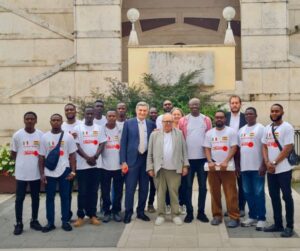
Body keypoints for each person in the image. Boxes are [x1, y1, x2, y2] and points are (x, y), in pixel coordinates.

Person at [147, 113, 189, 226]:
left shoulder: (179, 134)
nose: (168, 123)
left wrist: (185, 165)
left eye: (170, 121)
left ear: (173, 122)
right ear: (162, 123)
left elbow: (184, 151)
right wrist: (150, 167)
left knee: (174, 193)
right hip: (159, 169)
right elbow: (149, 153)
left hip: (175, 169)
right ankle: (161, 215)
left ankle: (175, 215)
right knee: (160, 193)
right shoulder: (154, 135)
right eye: (166, 121)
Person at [39, 114, 77, 232]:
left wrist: (73, 172)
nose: (56, 122)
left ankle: (65, 221)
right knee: (49, 198)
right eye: (53, 120)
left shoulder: (68, 137)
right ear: (50, 122)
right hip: (49, 172)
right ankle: (50, 223)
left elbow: (72, 156)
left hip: (64, 171)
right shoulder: (45, 137)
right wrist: (42, 174)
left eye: (58, 120)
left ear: (61, 122)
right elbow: (41, 157)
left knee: (65, 197)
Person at [262, 104, 295, 237]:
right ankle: (278, 224)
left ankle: (289, 226)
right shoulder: (267, 128)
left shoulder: (287, 127)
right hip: (271, 171)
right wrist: (266, 163)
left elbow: (288, 148)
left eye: (277, 111)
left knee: (287, 197)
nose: (274, 113)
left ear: (282, 112)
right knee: (274, 197)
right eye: (272, 111)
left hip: (284, 170)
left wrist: (274, 162)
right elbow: (264, 146)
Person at [120, 101, 156, 224]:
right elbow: (123, 143)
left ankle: (141, 212)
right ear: (136, 111)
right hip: (132, 161)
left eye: (144, 111)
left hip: (145, 160)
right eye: (140, 110)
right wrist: (123, 161)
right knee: (130, 188)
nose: (142, 112)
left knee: (144, 188)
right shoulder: (128, 123)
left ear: (147, 112)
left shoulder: (151, 124)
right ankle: (128, 212)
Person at [204, 110, 240, 228]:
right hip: (213, 168)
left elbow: (234, 147)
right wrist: (209, 161)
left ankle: (234, 217)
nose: (219, 119)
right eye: (217, 117)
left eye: (221, 117)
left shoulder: (231, 132)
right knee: (214, 192)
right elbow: (207, 148)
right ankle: (217, 216)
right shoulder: (209, 133)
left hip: (227, 168)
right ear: (214, 119)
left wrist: (226, 161)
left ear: (225, 119)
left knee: (231, 193)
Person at [178, 98, 212, 223]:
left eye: (196, 104)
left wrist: (209, 159)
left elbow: (209, 139)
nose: (194, 107)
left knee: (203, 187)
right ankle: (189, 212)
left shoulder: (206, 120)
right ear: (188, 106)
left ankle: (201, 212)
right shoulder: (183, 120)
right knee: (187, 187)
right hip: (188, 161)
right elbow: (180, 140)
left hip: (203, 159)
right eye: (192, 105)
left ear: (200, 105)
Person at [73, 106, 106, 227]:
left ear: (94, 114)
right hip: (82, 166)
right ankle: (80, 216)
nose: (90, 116)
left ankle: (93, 215)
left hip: (96, 165)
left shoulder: (99, 128)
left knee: (93, 191)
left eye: (91, 114)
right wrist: (87, 158)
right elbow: (76, 145)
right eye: (87, 114)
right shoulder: (78, 128)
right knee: (82, 192)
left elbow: (102, 143)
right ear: (84, 114)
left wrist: (95, 157)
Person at [11, 112, 43, 235]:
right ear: (24, 120)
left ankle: (34, 220)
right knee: (19, 198)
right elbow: (13, 153)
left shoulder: (40, 135)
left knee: (35, 197)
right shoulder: (17, 135)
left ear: (36, 120)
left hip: (35, 173)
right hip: (21, 173)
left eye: (32, 119)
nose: (29, 121)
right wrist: (23, 162)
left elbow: (43, 154)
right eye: (27, 119)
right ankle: (19, 223)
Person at [238, 107, 266, 230]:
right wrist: (238, 166)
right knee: (248, 193)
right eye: (247, 114)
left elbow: (266, 148)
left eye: (251, 114)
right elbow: (239, 150)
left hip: (257, 168)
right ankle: (252, 216)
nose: (248, 116)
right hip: (244, 168)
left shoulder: (261, 129)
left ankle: (261, 218)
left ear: (256, 115)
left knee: (259, 193)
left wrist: (264, 165)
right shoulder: (241, 130)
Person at [225, 95, 247, 217]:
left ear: (240, 104)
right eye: (232, 103)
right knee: (229, 183)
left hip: (241, 154)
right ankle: (230, 207)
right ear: (229, 104)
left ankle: (241, 207)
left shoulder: (245, 117)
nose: (234, 105)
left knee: (241, 182)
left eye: (236, 103)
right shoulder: (225, 117)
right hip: (227, 153)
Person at [100, 110, 123, 223]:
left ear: (116, 117)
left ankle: (116, 211)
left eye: (114, 116)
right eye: (109, 116)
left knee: (118, 191)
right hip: (105, 166)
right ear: (106, 117)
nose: (112, 118)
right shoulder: (101, 130)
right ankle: (106, 211)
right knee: (105, 191)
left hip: (118, 166)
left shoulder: (121, 129)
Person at [62, 103, 82, 222]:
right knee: (66, 192)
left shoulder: (81, 124)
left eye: (71, 109)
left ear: (75, 111)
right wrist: (69, 136)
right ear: (65, 112)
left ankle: (81, 213)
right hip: (67, 165)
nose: (69, 111)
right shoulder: (62, 126)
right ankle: (67, 214)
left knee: (82, 191)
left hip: (82, 163)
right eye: (67, 110)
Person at [171, 107, 186, 214]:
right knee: (169, 185)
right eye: (174, 114)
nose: (176, 116)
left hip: (181, 160)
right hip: (169, 161)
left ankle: (182, 204)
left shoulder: (184, 128)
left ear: (182, 116)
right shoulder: (166, 127)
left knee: (182, 185)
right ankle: (169, 205)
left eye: (178, 114)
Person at [147, 107, 158, 213]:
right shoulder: (147, 124)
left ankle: (151, 203)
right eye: (151, 112)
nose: (153, 114)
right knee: (147, 184)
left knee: (154, 185)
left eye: (155, 112)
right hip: (146, 157)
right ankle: (148, 204)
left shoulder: (159, 123)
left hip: (156, 158)